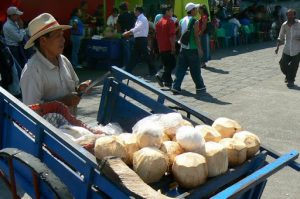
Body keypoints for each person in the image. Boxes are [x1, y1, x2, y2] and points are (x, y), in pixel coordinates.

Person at [20, 13, 91, 113]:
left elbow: (73, 88)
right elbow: (31, 112)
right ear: (43, 41)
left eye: (62, 35)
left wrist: (80, 90)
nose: (63, 40)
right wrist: (64, 102)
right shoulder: (32, 71)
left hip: (70, 125)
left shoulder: (64, 60)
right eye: (58, 36)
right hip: (48, 128)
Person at [171, 2, 206, 95]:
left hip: (183, 49)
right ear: (192, 10)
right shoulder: (195, 21)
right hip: (192, 49)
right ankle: (200, 87)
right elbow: (196, 37)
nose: (197, 11)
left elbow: (179, 34)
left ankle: (176, 87)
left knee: (180, 69)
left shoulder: (182, 20)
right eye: (196, 9)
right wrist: (200, 48)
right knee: (195, 70)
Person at [123, 6, 156, 76]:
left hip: (141, 40)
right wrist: (130, 32)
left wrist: (128, 32)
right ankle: (128, 71)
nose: (134, 12)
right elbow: (136, 29)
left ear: (138, 11)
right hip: (139, 39)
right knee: (135, 56)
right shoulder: (140, 18)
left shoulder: (142, 18)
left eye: (135, 11)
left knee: (145, 56)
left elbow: (137, 28)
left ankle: (153, 72)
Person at [275, 9, 300, 88]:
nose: (289, 16)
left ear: (294, 15)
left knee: (294, 66)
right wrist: (277, 47)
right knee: (282, 64)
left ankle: (290, 80)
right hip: (287, 48)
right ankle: (289, 76)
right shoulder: (284, 25)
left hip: (297, 49)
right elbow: (280, 36)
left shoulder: (299, 23)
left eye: (291, 14)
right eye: (288, 15)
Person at [155, 5, 176, 88]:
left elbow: (157, 37)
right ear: (167, 11)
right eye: (171, 11)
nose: (172, 12)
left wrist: (159, 48)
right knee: (172, 63)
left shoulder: (159, 22)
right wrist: (173, 47)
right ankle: (160, 75)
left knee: (166, 64)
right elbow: (171, 36)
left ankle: (168, 82)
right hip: (168, 47)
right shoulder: (170, 22)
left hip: (161, 47)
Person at [116, 2, 136, 68]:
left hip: (125, 36)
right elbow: (134, 24)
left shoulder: (120, 16)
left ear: (121, 9)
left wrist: (119, 33)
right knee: (132, 52)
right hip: (132, 35)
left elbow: (118, 27)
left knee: (126, 52)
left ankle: (127, 66)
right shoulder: (132, 15)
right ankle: (132, 65)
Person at [198, 4, 211, 69]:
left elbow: (204, 26)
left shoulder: (204, 16)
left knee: (204, 48)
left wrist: (200, 33)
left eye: (199, 9)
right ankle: (202, 63)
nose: (198, 10)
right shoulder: (203, 16)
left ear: (202, 9)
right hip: (203, 34)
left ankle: (203, 63)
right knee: (203, 48)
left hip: (203, 34)